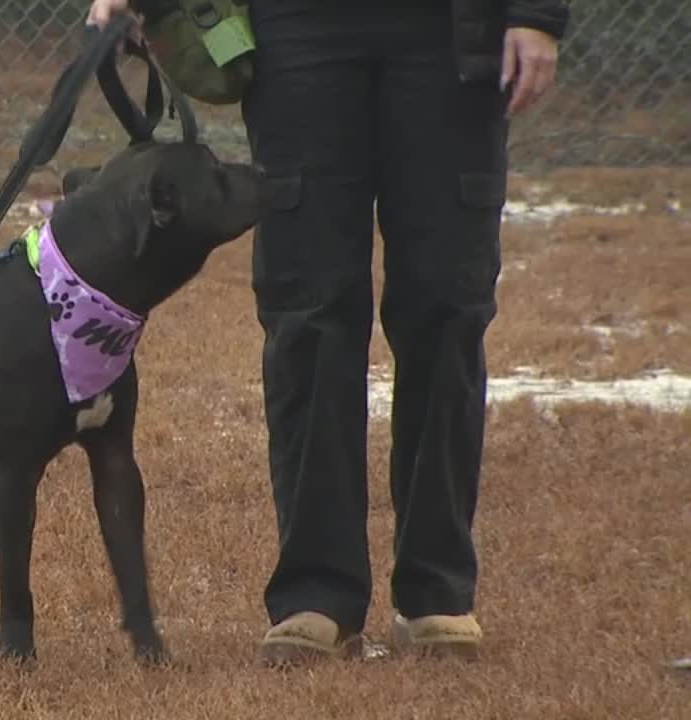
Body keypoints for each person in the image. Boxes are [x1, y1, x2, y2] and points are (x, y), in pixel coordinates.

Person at [87, 0, 568, 662]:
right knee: (307, 313)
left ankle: (436, 592)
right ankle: (316, 594)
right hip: (299, 30)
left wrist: (536, 13)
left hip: (452, 30)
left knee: (446, 308)